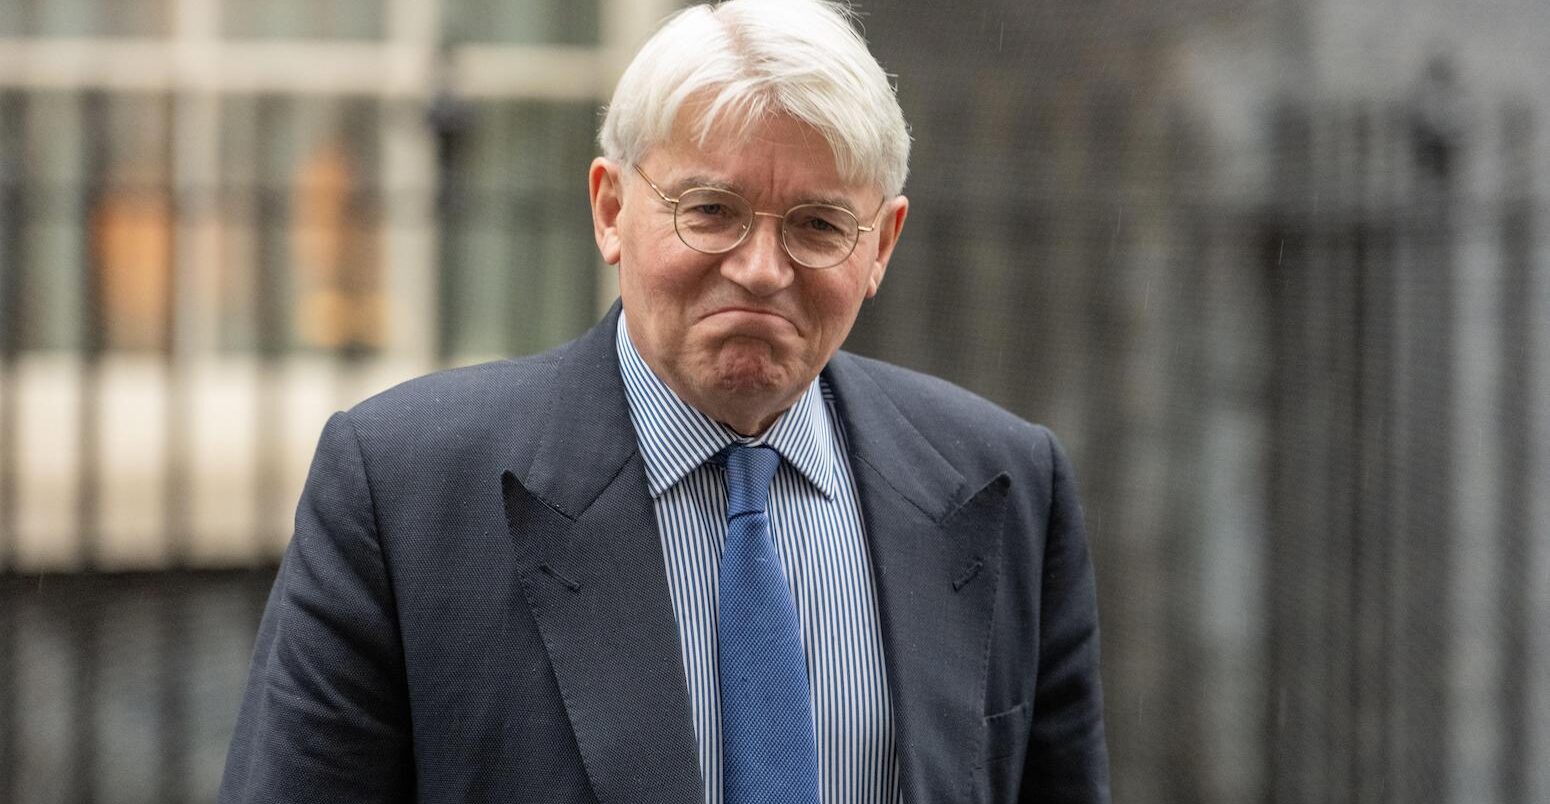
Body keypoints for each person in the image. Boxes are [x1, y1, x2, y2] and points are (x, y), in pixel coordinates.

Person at [218, 0, 1110, 802]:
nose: (762, 270)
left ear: (882, 245)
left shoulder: (1005, 483)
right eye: (710, 210)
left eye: (818, 225)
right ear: (610, 209)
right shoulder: (403, 489)